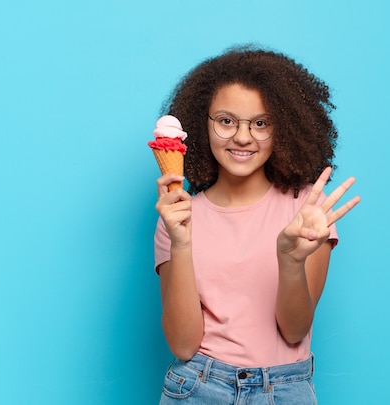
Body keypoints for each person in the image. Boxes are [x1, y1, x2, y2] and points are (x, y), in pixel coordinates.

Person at [152, 45, 360, 404]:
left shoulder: (306, 210)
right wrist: (182, 242)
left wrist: (291, 260)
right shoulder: (178, 216)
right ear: (204, 125)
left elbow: (294, 332)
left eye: (260, 123)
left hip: (284, 389)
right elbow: (183, 344)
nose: (243, 137)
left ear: (284, 127)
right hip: (198, 387)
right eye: (226, 120)